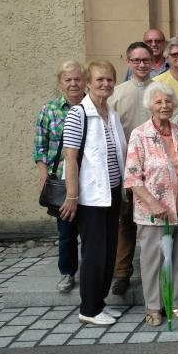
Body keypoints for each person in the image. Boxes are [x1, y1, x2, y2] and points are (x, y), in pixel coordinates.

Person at [59, 61, 126, 326]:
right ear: (88, 83)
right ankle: (88, 309)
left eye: (109, 80)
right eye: (99, 80)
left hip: (112, 192)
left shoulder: (111, 113)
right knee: (95, 253)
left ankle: (99, 303)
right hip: (91, 197)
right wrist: (72, 196)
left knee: (109, 251)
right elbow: (70, 157)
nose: (105, 84)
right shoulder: (79, 114)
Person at [123, 82, 178, 326]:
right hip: (154, 212)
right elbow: (132, 177)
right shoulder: (140, 134)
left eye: (167, 101)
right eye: (158, 102)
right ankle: (153, 306)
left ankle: (175, 304)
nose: (164, 106)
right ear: (150, 106)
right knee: (154, 260)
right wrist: (153, 203)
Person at [34, 60, 85, 293]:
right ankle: (67, 272)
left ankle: (91, 272)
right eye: (68, 80)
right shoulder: (49, 110)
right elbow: (40, 148)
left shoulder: (93, 106)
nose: (73, 84)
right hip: (62, 182)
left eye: (77, 79)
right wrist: (44, 177)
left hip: (90, 179)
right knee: (66, 230)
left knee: (92, 231)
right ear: (60, 83)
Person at [108, 41, 154, 296]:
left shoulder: (160, 89)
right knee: (125, 222)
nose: (141, 64)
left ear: (151, 61)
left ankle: (154, 269)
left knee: (153, 223)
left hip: (156, 168)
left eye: (145, 59)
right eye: (136, 60)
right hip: (127, 167)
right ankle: (122, 273)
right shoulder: (116, 93)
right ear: (128, 62)